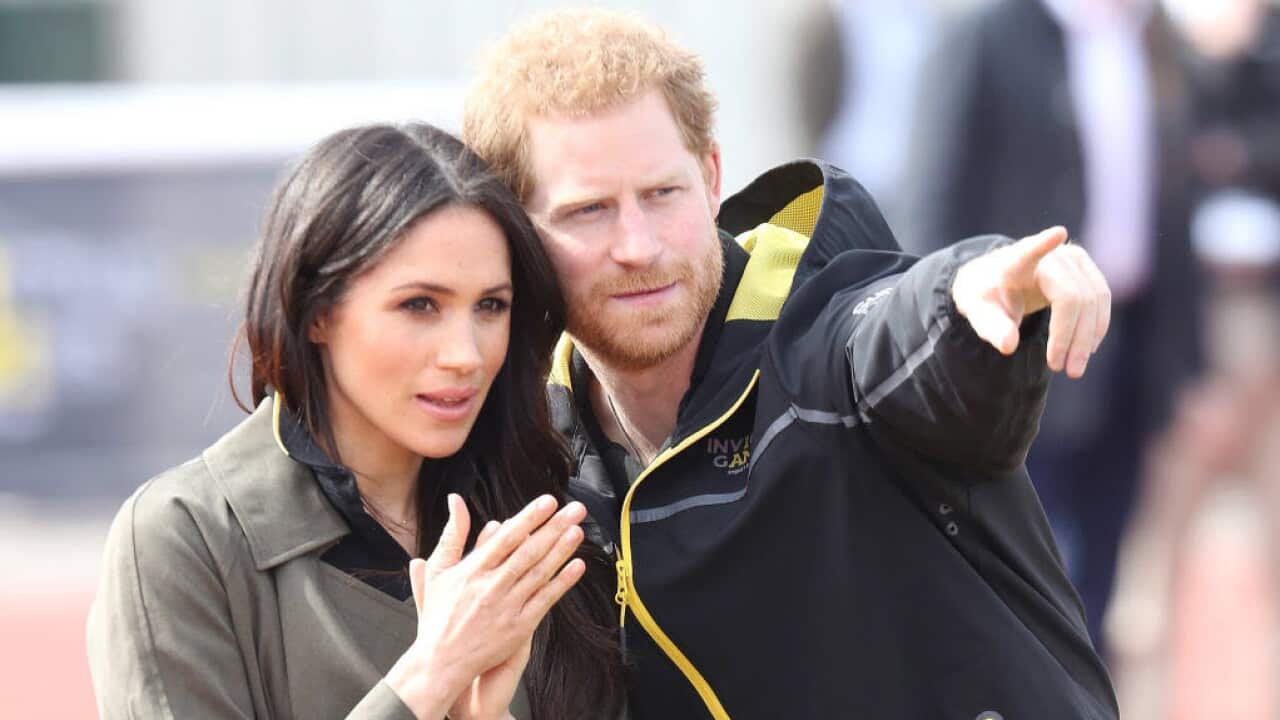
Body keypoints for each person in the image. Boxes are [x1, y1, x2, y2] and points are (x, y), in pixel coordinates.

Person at [462, 9, 1118, 719]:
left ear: (711, 179)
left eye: (662, 194)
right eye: (589, 211)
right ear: (515, 231)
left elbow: (895, 334)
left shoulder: (822, 340)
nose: (639, 245)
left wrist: (972, 291)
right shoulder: (533, 461)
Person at [86, 123, 625, 720]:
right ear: (317, 311)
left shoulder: (539, 521)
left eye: (490, 306)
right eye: (420, 305)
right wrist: (431, 674)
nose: (466, 355)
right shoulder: (185, 540)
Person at [904, 0, 1204, 656]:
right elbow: (930, 205)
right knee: (1023, 583)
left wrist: (1186, 360)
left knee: (1101, 576)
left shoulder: (1156, 36)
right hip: (1015, 357)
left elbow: (1175, 198)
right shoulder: (989, 35)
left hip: (1129, 347)